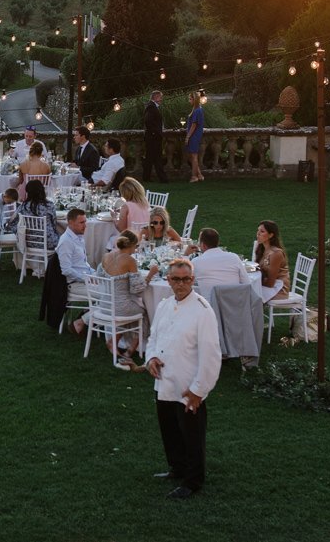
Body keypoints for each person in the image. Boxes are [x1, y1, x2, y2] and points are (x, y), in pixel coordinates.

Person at [145, 258, 221, 499]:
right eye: (175, 279)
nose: (181, 284)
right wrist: (152, 358)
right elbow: (153, 338)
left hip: (189, 386)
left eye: (185, 279)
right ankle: (176, 468)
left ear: (193, 280)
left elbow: (211, 355)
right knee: (169, 429)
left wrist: (199, 390)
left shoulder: (202, 311)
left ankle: (193, 480)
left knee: (192, 435)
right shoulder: (164, 305)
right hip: (165, 382)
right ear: (168, 280)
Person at [99, 230, 157, 367]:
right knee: (144, 312)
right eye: (136, 247)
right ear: (132, 246)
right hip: (120, 307)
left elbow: (99, 276)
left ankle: (113, 340)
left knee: (130, 307)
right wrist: (150, 274)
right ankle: (131, 350)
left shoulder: (106, 256)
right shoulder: (130, 260)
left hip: (105, 305)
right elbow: (137, 288)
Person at [57, 208, 95, 330]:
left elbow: (82, 264)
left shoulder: (78, 236)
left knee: (112, 288)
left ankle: (87, 313)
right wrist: (87, 279)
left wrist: (95, 274)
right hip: (74, 284)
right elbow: (66, 270)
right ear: (71, 223)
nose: (85, 226)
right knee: (109, 295)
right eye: (81, 223)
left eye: (85, 222)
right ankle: (81, 321)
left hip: (83, 279)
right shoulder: (66, 242)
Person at [6, 179, 60, 249]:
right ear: (42, 191)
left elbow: (12, 222)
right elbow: (54, 224)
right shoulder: (49, 205)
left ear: (28, 192)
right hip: (49, 243)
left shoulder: (24, 206)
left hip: (29, 242)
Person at [254, 220, 290, 302]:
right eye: (258, 230)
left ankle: (251, 314)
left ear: (271, 235)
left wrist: (254, 284)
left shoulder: (276, 254)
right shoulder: (262, 249)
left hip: (278, 289)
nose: (258, 233)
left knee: (248, 294)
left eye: (262, 231)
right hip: (268, 285)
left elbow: (270, 283)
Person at [143, 90, 168, 183]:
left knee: (151, 158)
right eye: (160, 97)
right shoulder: (151, 107)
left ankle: (147, 177)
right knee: (156, 158)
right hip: (153, 138)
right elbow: (148, 121)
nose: (161, 99)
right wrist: (156, 133)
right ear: (156, 97)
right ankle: (162, 178)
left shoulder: (152, 107)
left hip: (152, 137)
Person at [185, 92, 205, 183]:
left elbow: (194, 125)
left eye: (190, 99)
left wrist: (188, 136)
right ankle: (199, 175)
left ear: (194, 99)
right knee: (192, 156)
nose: (189, 101)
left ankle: (194, 176)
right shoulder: (197, 109)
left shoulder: (197, 110)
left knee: (193, 156)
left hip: (194, 136)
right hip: (195, 135)